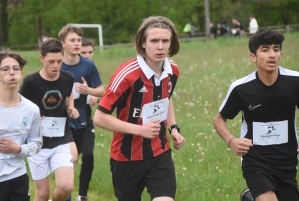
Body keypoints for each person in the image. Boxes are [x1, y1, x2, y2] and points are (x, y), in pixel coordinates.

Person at [94, 16, 185, 201]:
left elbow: (167, 99)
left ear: (171, 43)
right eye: (154, 41)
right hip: (126, 158)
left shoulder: (173, 70)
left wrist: (173, 128)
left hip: (160, 153)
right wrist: (140, 130)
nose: (160, 46)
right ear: (143, 43)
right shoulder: (127, 74)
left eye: (165, 41)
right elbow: (100, 118)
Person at [213, 28, 299, 201]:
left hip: (287, 160)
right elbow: (219, 119)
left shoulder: (295, 81)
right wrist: (232, 141)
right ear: (253, 56)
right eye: (265, 49)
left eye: (276, 49)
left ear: (281, 54)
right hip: (255, 160)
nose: (272, 55)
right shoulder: (241, 88)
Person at [19, 38, 79, 201]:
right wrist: (34, 118)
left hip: (61, 140)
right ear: (41, 58)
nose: (55, 66)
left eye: (59, 61)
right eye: (51, 61)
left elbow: (68, 93)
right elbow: (19, 106)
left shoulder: (68, 78)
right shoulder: (31, 82)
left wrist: (71, 108)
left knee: (66, 186)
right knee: (43, 194)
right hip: (37, 143)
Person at [58, 25, 104, 201]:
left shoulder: (88, 65)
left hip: (84, 120)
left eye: (79, 40)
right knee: (71, 158)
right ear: (63, 43)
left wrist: (89, 91)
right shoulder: (57, 64)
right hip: (63, 122)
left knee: (89, 156)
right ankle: (67, 196)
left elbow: (101, 90)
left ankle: (82, 195)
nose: (77, 43)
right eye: (73, 40)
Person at [0, 51, 42, 201]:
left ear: (21, 74)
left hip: (18, 177)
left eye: (16, 68)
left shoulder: (32, 109)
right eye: (5, 69)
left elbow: (37, 143)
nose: (12, 72)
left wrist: (18, 149)